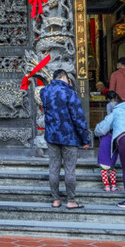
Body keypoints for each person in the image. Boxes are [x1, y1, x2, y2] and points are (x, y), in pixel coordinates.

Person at [41, 69, 90, 210]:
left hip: (52, 135)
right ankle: (71, 200)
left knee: (54, 168)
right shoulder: (69, 92)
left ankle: (56, 199)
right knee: (70, 169)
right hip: (69, 136)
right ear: (65, 78)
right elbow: (78, 117)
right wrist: (85, 139)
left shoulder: (44, 92)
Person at [97, 91, 120, 192]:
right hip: (117, 125)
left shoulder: (108, 106)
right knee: (112, 168)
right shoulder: (118, 105)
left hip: (103, 156)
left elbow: (108, 114)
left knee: (103, 169)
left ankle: (107, 186)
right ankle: (113, 186)